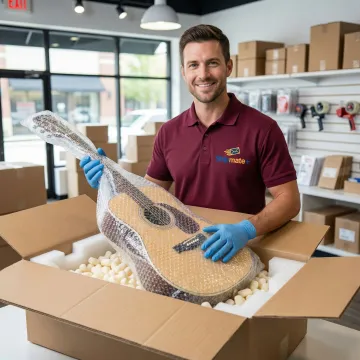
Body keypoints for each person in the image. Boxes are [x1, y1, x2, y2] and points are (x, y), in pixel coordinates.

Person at [80, 24, 300, 264]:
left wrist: (246, 229)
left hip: (241, 252)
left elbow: (289, 200)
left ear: (228, 67)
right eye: (194, 65)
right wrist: (111, 183)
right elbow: (150, 195)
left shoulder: (262, 129)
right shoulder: (169, 132)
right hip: (183, 249)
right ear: (184, 72)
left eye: (212, 63)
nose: (203, 74)